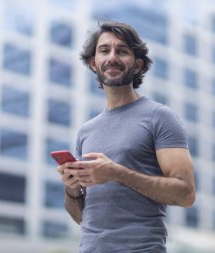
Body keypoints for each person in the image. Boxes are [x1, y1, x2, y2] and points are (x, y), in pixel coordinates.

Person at [57, 21, 196, 253]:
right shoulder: (86, 131)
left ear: (138, 65)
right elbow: (84, 218)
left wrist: (117, 173)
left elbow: (186, 194)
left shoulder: (160, 117)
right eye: (104, 50)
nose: (112, 57)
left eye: (122, 51)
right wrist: (72, 189)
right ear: (94, 64)